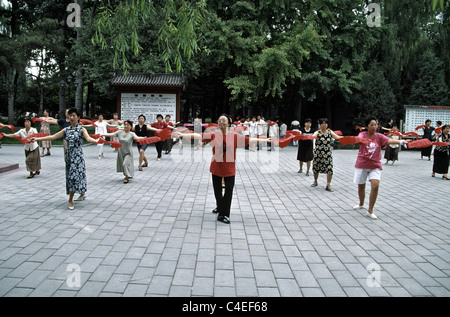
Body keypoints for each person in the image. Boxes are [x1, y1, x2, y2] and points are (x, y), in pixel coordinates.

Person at [177, 114, 272, 224]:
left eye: (224, 120)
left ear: (229, 123)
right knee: (217, 190)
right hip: (216, 167)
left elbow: (250, 140)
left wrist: (265, 140)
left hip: (229, 168)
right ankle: (219, 207)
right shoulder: (213, 135)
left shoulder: (235, 136)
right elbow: (199, 136)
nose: (221, 122)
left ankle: (224, 214)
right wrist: (183, 135)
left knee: (228, 191)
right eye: (219, 120)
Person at [30, 108, 100, 210]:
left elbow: (88, 138)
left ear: (78, 117)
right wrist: (37, 139)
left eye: (74, 116)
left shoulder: (81, 129)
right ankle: (81, 193)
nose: (71, 117)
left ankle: (70, 199)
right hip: (69, 156)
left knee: (76, 175)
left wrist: (96, 141)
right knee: (73, 176)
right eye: (70, 115)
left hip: (78, 157)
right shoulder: (66, 130)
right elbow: (53, 137)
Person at [353, 116, 409, 219]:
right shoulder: (363, 134)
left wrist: (401, 142)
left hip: (375, 165)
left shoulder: (379, 136)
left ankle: (370, 211)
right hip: (362, 164)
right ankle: (361, 203)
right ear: (367, 126)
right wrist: (359, 140)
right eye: (372, 125)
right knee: (361, 186)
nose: (374, 127)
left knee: (375, 185)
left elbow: (388, 141)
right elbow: (359, 139)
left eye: (376, 125)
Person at [310, 118, 343, 191]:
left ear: (327, 125)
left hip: (327, 153)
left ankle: (328, 184)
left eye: (325, 123)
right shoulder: (317, 132)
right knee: (316, 167)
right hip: (318, 153)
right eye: (322, 123)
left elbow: (337, 137)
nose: (324, 125)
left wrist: (347, 138)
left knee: (329, 168)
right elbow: (313, 136)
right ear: (320, 125)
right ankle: (315, 181)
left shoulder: (330, 132)